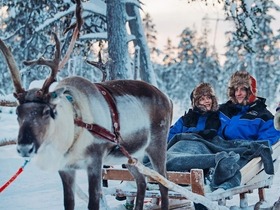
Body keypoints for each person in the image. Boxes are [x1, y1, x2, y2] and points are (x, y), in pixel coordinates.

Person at [219, 70, 280, 145]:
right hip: (214, 151)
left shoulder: (264, 117)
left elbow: (263, 145)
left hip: (243, 154)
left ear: (251, 91)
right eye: (236, 89)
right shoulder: (222, 110)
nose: (238, 93)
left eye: (243, 89)